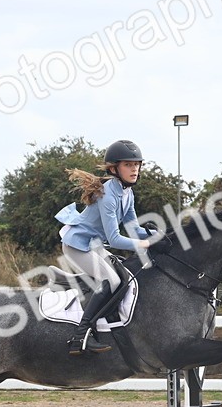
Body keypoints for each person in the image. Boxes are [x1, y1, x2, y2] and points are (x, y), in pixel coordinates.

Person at [55, 139, 160, 356]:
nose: (135, 170)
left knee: (123, 278)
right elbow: (114, 239)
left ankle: (100, 321)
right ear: (114, 168)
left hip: (93, 245)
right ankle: (80, 336)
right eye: (128, 165)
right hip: (77, 246)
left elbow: (132, 229)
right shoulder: (107, 195)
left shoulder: (127, 193)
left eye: (137, 165)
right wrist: (143, 243)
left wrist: (159, 235)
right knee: (111, 281)